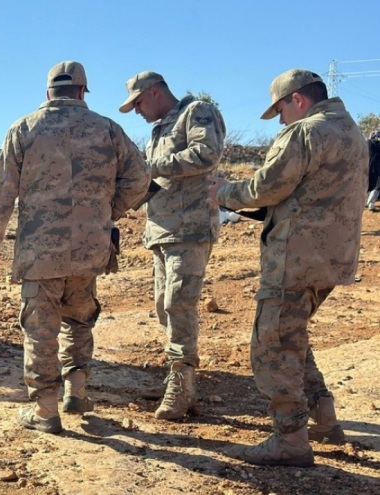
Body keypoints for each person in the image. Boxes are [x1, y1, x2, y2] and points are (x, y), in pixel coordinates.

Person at [0, 61, 149, 434]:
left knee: (41, 329)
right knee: (79, 318)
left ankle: (45, 412)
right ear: (83, 92)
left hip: (41, 251)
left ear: (47, 93)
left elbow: (1, 194)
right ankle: (77, 392)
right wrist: (106, 210)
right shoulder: (108, 128)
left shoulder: (23, 129)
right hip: (91, 248)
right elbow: (140, 177)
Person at [210, 69, 366, 466]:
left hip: (295, 259)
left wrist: (223, 194)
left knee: (273, 346)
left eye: (280, 109)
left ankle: (291, 440)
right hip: (332, 258)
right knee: (292, 337)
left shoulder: (305, 132)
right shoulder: (352, 132)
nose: (280, 120)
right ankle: (325, 421)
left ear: (298, 100)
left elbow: (266, 188)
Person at [118, 71, 226, 420]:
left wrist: (152, 166)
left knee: (179, 304)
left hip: (190, 228)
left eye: (137, 102)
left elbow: (206, 154)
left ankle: (182, 388)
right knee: (164, 307)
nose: (136, 110)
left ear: (153, 93)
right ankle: (179, 381)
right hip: (162, 231)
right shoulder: (158, 129)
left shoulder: (196, 112)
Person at [365, 131, 380, 211]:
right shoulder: (377, 146)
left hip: (368, 166)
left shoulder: (368, 143)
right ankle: (371, 204)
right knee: (377, 185)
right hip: (376, 168)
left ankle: (366, 202)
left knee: (368, 184)